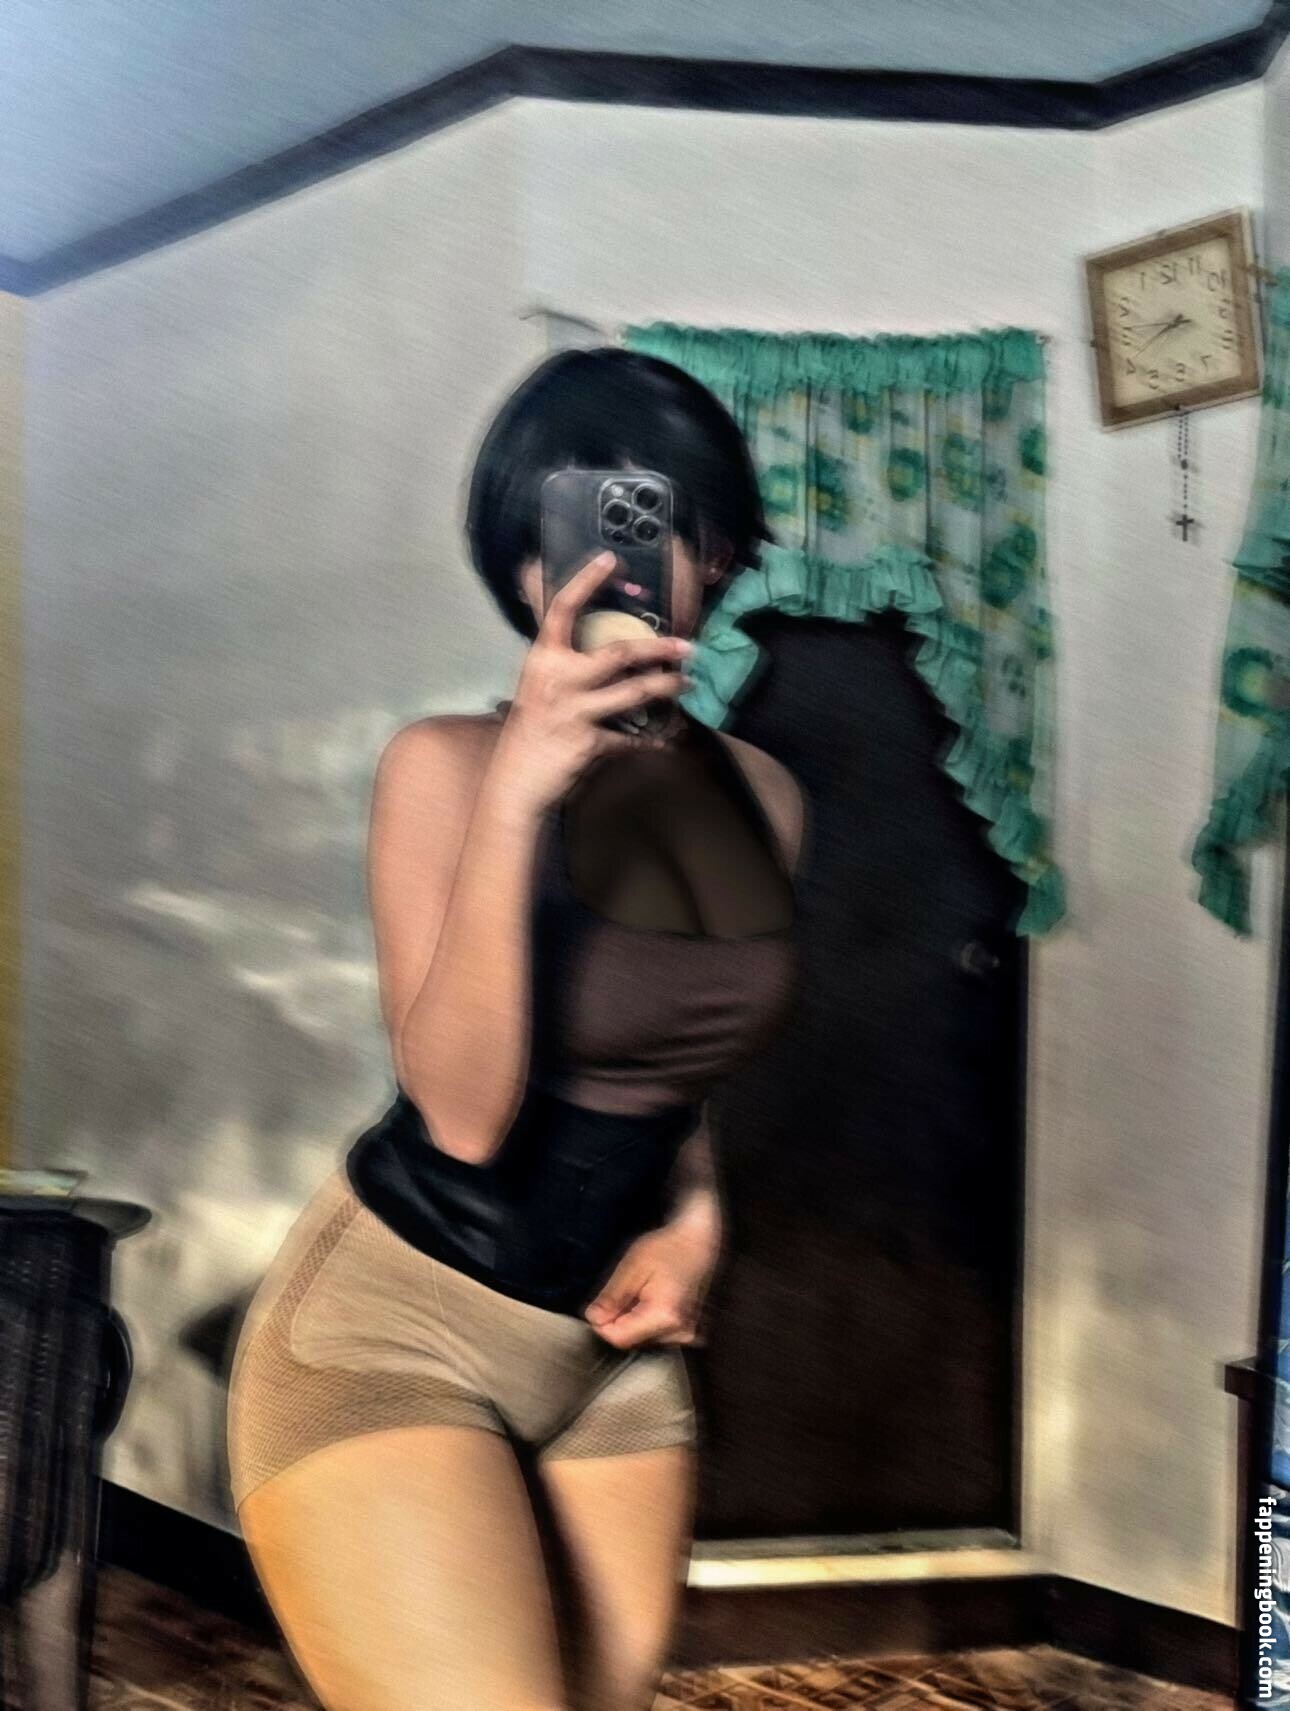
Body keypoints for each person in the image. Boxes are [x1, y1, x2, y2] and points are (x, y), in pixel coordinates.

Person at [226, 348, 806, 1711]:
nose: (605, 572)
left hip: (612, 1359)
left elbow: (682, 1067)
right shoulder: (443, 766)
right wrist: (518, 800)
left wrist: (700, 1221)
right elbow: (464, 1117)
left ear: (717, 555)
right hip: (395, 1329)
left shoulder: (768, 797)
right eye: (563, 535)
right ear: (521, 567)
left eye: (651, 527)